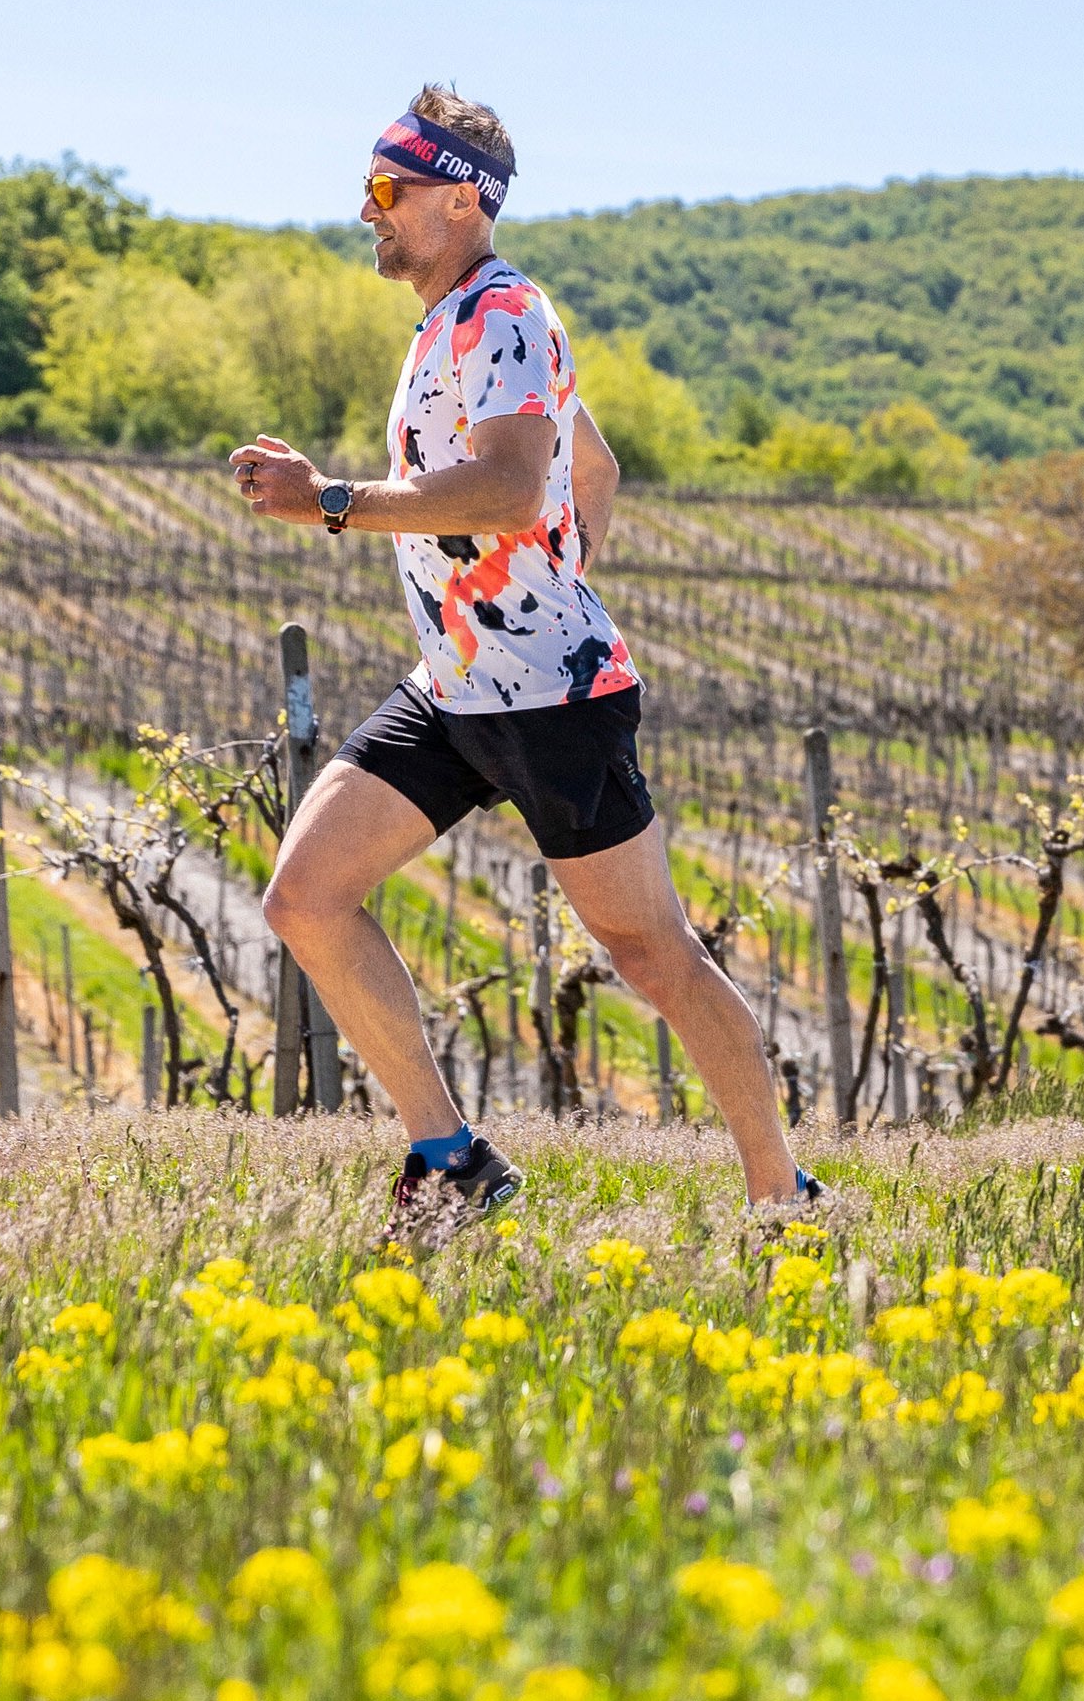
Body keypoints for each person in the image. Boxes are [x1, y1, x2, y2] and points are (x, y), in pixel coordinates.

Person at [228, 85, 816, 1225]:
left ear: (462, 198)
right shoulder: (451, 324)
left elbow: (507, 487)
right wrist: (561, 559)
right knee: (305, 898)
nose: (367, 210)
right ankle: (450, 1162)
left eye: (388, 190)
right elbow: (586, 465)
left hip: (550, 697)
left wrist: (331, 502)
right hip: (454, 687)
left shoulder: (506, 313)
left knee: (651, 955)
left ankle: (781, 1194)